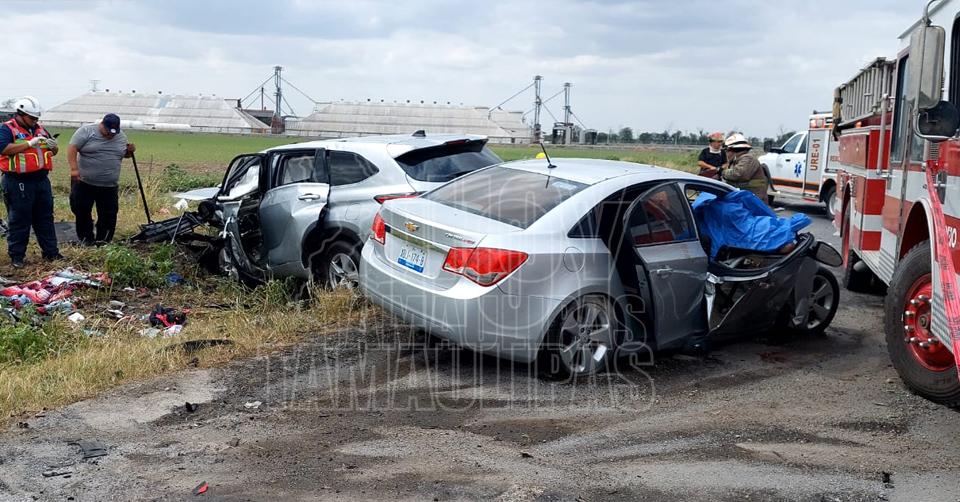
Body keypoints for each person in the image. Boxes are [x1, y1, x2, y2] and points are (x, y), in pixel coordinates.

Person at [0, 96, 62, 268]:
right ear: (20, 114)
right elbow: (3, 148)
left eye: (36, 118)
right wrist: (29, 143)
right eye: (32, 117)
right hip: (18, 181)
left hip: (41, 180)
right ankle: (17, 256)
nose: (35, 121)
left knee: (45, 218)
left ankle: (51, 253)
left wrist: (53, 146)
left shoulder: (40, 129)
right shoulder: (6, 129)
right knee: (20, 219)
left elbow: (53, 152)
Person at [67, 113, 135, 244]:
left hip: (109, 186)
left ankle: (104, 241)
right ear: (102, 124)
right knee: (81, 210)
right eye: (107, 131)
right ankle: (86, 240)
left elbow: (124, 154)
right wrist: (74, 169)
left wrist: (130, 152)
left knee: (109, 214)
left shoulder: (121, 137)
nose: (110, 135)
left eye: (113, 133)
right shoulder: (86, 131)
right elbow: (72, 148)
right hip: (84, 182)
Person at [722, 133, 769, 205]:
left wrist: (723, 172)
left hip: (754, 203)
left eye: (726, 150)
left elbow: (739, 174)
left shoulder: (748, 159)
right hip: (747, 200)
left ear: (732, 150)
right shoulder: (738, 160)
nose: (726, 153)